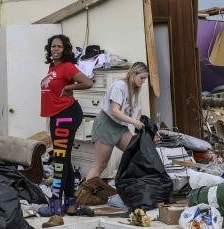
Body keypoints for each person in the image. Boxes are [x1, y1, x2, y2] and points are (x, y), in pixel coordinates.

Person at [39, 34, 94, 217]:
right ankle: (70, 203)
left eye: (59, 47)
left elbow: (87, 82)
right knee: (64, 159)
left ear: (65, 49)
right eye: (53, 46)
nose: (55, 49)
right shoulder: (52, 67)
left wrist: (70, 88)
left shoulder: (67, 67)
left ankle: (55, 206)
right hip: (58, 115)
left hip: (66, 115)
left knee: (60, 161)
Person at [85, 62, 149, 181]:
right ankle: (83, 195)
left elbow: (138, 115)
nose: (143, 81)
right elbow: (115, 111)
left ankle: (129, 185)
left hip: (120, 128)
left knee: (137, 154)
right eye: (142, 78)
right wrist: (134, 123)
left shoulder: (136, 91)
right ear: (134, 74)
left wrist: (152, 131)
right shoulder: (119, 86)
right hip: (106, 126)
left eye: (145, 78)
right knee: (101, 165)